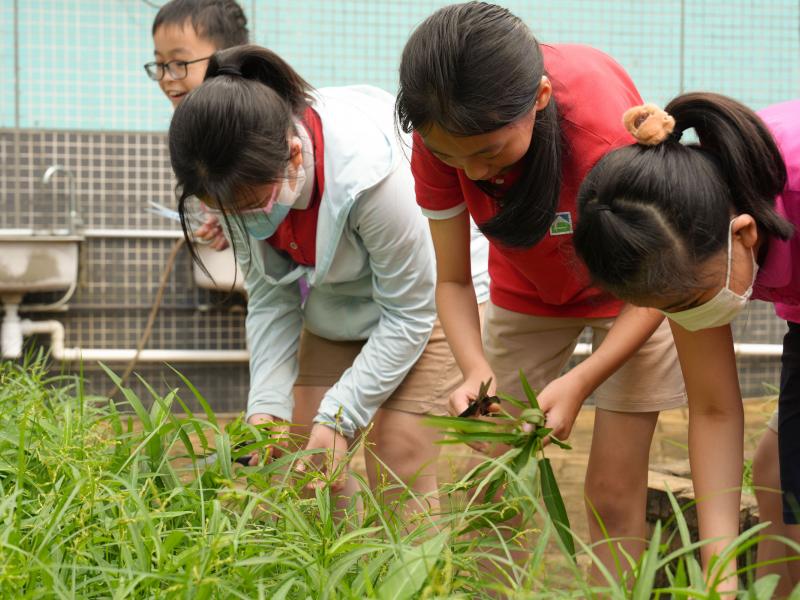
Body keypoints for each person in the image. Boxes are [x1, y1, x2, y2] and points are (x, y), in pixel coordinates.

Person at [396, 0, 686, 581]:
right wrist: (474, 366)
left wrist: (580, 381)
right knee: (491, 479)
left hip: (636, 290)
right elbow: (452, 278)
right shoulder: (442, 136)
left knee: (611, 490)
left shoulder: (602, 132)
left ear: (541, 98)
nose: (473, 172)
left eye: (486, 152)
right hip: (528, 290)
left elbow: (662, 283)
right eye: (452, 156)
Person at [168, 43, 488, 516]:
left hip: (432, 294)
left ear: (294, 155)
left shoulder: (369, 174)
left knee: (395, 450)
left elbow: (409, 311)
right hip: (343, 297)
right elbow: (271, 298)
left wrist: (342, 417)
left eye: (254, 207)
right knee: (302, 454)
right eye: (227, 212)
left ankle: (412, 582)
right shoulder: (231, 175)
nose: (248, 222)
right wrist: (266, 408)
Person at [573, 94, 800, 592]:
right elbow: (715, 408)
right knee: (778, 473)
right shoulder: (686, 230)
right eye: (669, 307)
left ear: (744, 234)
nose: (687, 319)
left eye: (690, 301)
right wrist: (717, 577)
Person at [146, 0, 250, 249]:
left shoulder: (251, 124)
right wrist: (228, 217)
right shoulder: (200, 129)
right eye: (160, 64)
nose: (167, 78)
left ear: (228, 59)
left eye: (180, 64)